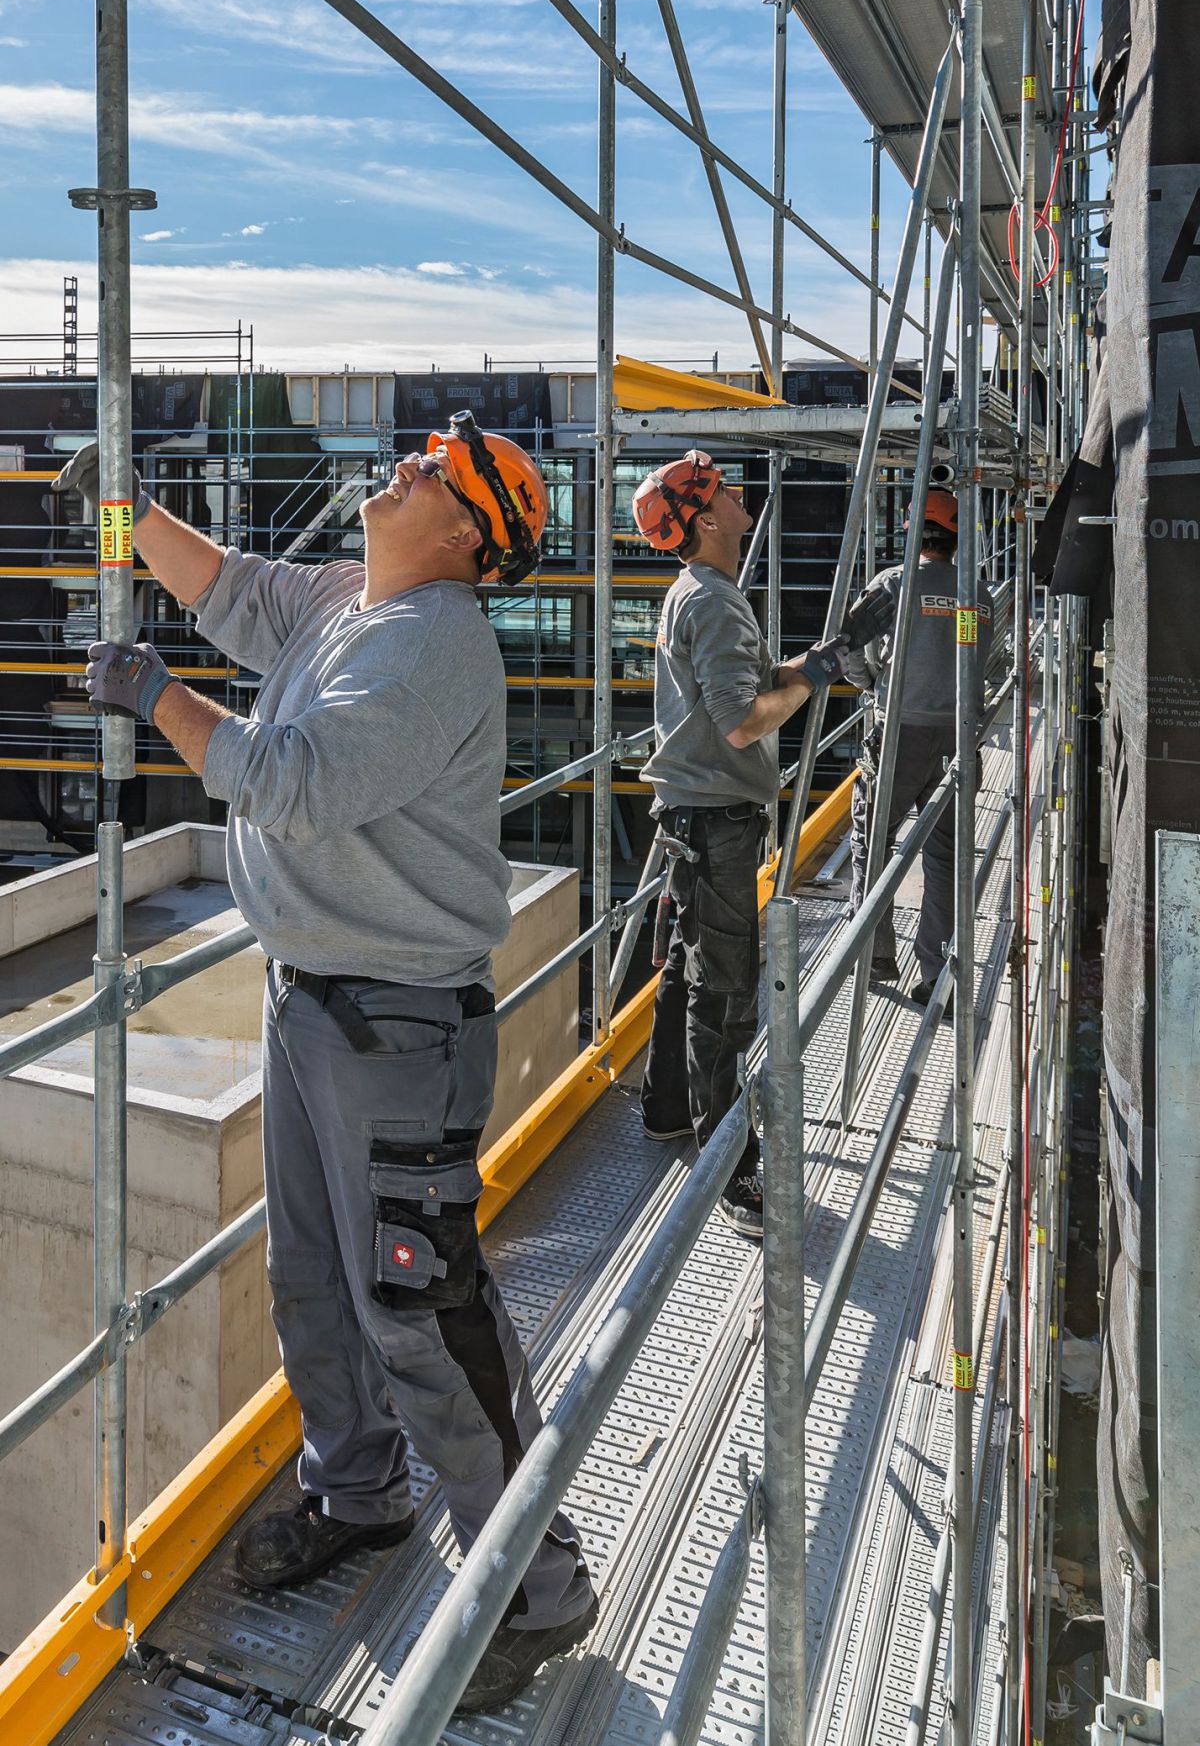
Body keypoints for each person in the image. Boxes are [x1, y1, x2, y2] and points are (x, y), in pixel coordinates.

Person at [58, 413, 597, 1718]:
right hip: (314, 1001)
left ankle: (537, 1587)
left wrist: (155, 697)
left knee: (420, 1304)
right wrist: (116, 511)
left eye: (435, 467)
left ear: (468, 531)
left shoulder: (432, 643)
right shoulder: (352, 596)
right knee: (314, 1281)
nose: (405, 464)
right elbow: (226, 587)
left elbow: (287, 781)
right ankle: (360, 1490)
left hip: (398, 1024)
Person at [631, 451, 848, 1238]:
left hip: (694, 817)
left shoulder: (701, 593)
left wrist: (809, 664)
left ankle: (664, 1110)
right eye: (722, 489)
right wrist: (807, 683)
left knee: (687, 971)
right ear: (708, 517)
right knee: (723, 996)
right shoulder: (715, 603)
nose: (738, 493)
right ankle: (731, 1168)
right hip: (717, 822)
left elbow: (748, 687)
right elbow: (742, 721)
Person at [843, 483, 994, 1008]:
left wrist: (870, 682)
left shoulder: (892, 584)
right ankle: (937, 975)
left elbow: (850, 646)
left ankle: (875, 953)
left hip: (899, 732)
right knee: (947, 856)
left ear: (914, 532)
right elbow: (981, 663)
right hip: (955, 735)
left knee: (873, 839)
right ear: (957, 536)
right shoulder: (975, 592)